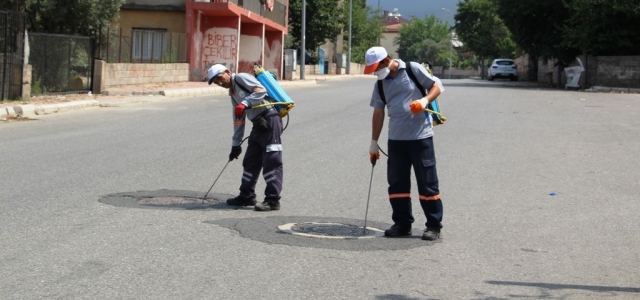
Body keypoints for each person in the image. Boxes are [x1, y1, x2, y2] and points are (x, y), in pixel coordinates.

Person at [364, 47, 444, 241]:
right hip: (396, 140)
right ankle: (402, 223)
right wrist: (374, 143)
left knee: (427, 182)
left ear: (386, 60)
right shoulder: (380, 85)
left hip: (421, 138)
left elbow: (437, 86)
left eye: (377, 67)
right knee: (397, 183)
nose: (376, 72)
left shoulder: (412, 69)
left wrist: (424, 101)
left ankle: (433, 225)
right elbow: (378, 113)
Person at [207, 64, 283, 211]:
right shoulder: (232, 93)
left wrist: (245, 103)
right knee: (250, 160)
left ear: (228, 72)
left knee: (271, 159)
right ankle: (246, 196)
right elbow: (238, 120)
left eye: (219, 78)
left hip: (269, 118)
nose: (219, 82)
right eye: (216, 82)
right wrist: (236, 144)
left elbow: (261, 90)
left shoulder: (241, 78)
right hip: (258, 123)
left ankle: (273, 200)